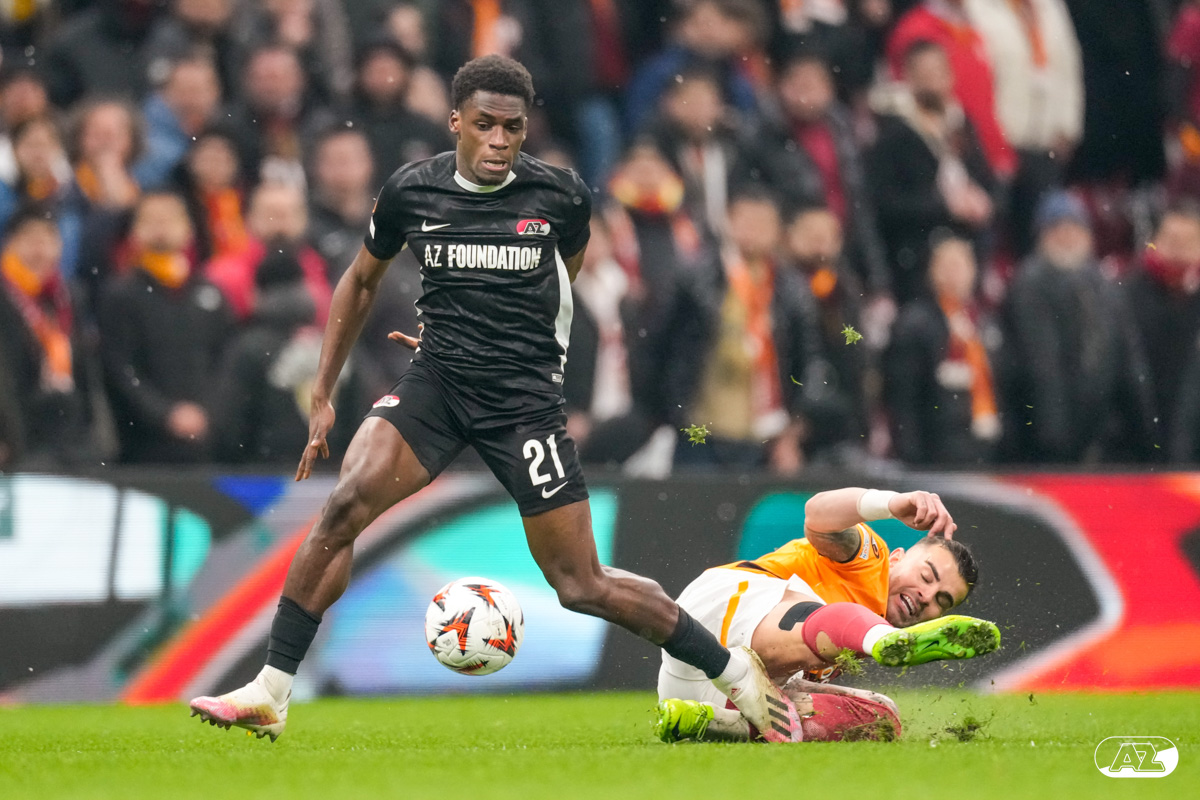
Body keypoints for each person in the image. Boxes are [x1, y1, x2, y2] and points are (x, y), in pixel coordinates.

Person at [189, 55, 805, 744]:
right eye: (484, 125)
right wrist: (325, 391)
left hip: (522, 405)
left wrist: (516, 343)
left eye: (513, 128)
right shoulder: (411, 191)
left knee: (582, 583)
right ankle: (271, 690)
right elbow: (360, 281)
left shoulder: (561, 197)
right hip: (437, 385)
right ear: (456, 121)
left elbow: (563, 282)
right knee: (344, 505)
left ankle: (734, 671)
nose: (499, 141)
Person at [654, 486, 996, 743]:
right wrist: (892, 503)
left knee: (881, 718)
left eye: (941, 601)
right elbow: (816, 514)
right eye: (926, 576)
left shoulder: (863, 626)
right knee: (840, 619)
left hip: (709, 688)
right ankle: (885, 640)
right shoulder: (870, 558)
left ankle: (718, 724)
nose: (926, 596)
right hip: (719, 614)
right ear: (896, 558)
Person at [1002, 192, 1157, 463]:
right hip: (1051, 445)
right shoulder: (1030, 284)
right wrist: (1055, 443)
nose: (1067, 236)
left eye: (1074, 227)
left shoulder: (1104, 286)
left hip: (1101, 438)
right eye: (1057, 228)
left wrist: (1143, 434)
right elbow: (1043, 368)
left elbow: (1128, 364)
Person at [98, 191, 233, 464]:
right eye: (150, 219)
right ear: (134, 232)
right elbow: (119, 368)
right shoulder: (120, 294)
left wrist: (208, 411)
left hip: (207, 443)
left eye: (170, 219)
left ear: (188, 229)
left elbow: (227, 359)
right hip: (144, 446)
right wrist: (164, 414)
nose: (161, 227)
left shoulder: (210, 292)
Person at [887, 233, 1001, 465]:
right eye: (946, 266)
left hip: (983, 439)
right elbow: (904, 394)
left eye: (960, 266)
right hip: (937, 445)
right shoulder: (916, 322)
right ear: (932, 272)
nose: (953, 275)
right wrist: (910, 450)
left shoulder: (983, 320)